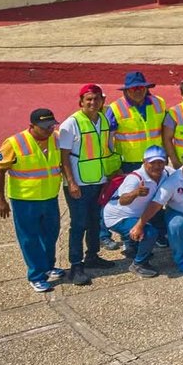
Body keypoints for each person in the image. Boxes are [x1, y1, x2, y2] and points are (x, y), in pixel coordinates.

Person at [0, 107, 70, 292]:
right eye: (44, 127)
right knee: (30, 238)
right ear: (32, 126)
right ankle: (36, 275)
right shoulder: (14, 143)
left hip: (50, 198)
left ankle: (48, 266)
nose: (49, 130)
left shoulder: (56, 138)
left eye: (51, 125)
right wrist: (0, 199)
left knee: (51, 234)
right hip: (25, 201)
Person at [57, 84, 118, 282]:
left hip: (98, 179)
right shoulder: (70, 124)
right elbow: (64, 157)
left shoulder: (102, 119)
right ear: (81, 102)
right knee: (79, 224)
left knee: (94, 222)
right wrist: (71, 183)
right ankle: (76, 265)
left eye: (97, 99)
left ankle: (92, 255)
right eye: (89, 99)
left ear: (102, 101)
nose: (93, 103)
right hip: (79, 184)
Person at [103, 147, 169, 275]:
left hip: (138, 214)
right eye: (152, 163)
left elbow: (180, 173)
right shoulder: (135, 178)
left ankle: (132, 247)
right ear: (144, 162)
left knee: (166, 218)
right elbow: (122, 201)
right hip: (119, 217)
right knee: (149, 233)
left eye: (160, 162)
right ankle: (139, 263)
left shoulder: (165, 174)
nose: (157, 166)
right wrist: (135, 193)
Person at [108, 71, 169, 171]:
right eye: (134, 88)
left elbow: (166, 132)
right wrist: (114, 163)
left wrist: (166, 154)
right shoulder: (116, 108)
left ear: (146, 88)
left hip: (156, 159)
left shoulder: (159, 103)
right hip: (128, 163)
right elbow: (108, 139)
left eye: (141, 87)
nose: (138, 91)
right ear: (126, 90)